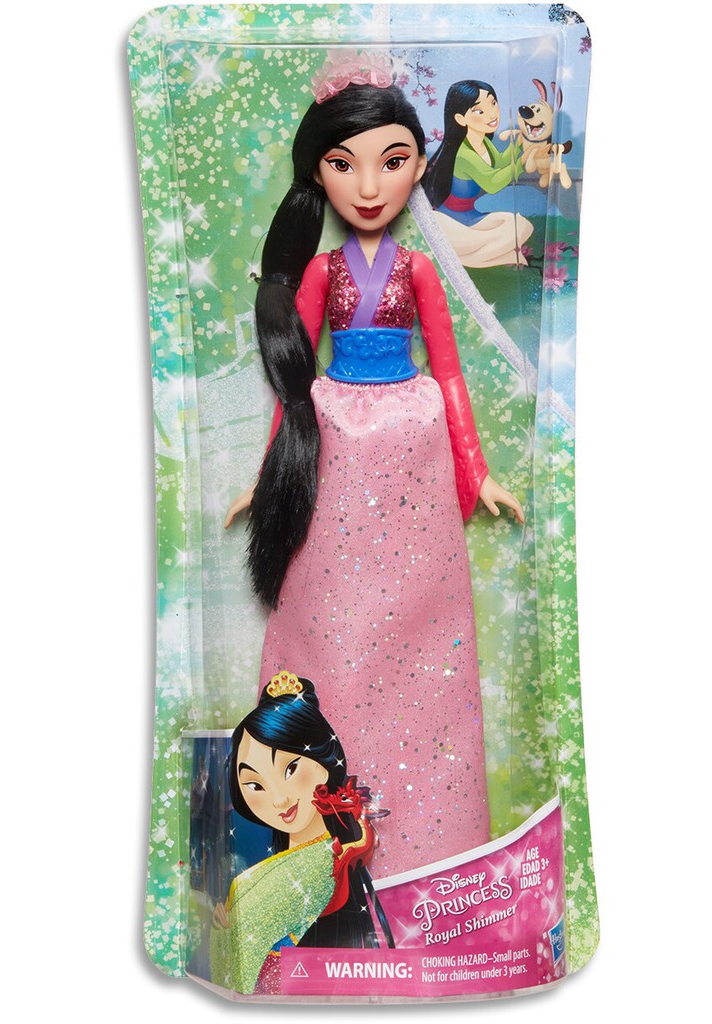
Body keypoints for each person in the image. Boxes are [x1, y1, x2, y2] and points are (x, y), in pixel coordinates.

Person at [224, 54, 523, 877]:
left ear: (418, 166)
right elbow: (292, 385)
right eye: (343, 163)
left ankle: (435, 847)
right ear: (319, 172)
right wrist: (268, 475)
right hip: (334, 441)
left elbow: (450, 373)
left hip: (412, 445)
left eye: (391, 162)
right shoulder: (321, 273)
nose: (366, 186)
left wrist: (475, 470)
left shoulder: (418, 269)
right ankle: (314, 839)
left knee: (425, 638)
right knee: (330, 620)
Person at [211, 672, 391, 995]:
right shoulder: (310, 861)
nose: (278, 799)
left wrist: (224, 932)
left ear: (324, 757)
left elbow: (239, 964)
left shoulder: (321, 863)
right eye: (254, 785)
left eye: (291, 769)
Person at [421, 79, 533, 267]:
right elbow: (492, 183)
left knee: (522, 225)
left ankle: (471, 257)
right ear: (460, 119)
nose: (492, 114)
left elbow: (499, 162)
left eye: (493, 103)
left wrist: (522, 142)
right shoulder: (464, 154)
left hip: (471, 216)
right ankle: (465, 260)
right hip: (451, 221)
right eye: (479, 111)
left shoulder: (484, 142)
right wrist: (524, 161)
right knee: (514, 231)